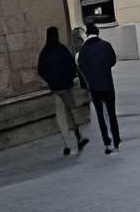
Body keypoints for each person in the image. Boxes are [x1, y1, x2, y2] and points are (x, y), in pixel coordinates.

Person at [37, 27, 84, 156]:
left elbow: (41, 69)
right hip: (65, 87)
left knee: (61, 116)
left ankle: (68, 143)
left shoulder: (44, 52)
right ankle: (78, 138)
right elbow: (71, 65)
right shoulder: (62, 49)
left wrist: (51, 81)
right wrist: (68, 78)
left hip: (55, 89)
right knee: (71, 112)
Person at [78, 24, 122, 152]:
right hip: (108, 84)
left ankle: (107, 143)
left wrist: (90, 76)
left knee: (101, 115)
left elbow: (81, 66)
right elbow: (113, 61)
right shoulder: (106, 45)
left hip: (94, 88)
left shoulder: (84, 49)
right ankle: (116, 141)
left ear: (87, 34)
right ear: (98, 33)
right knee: (112, 114)